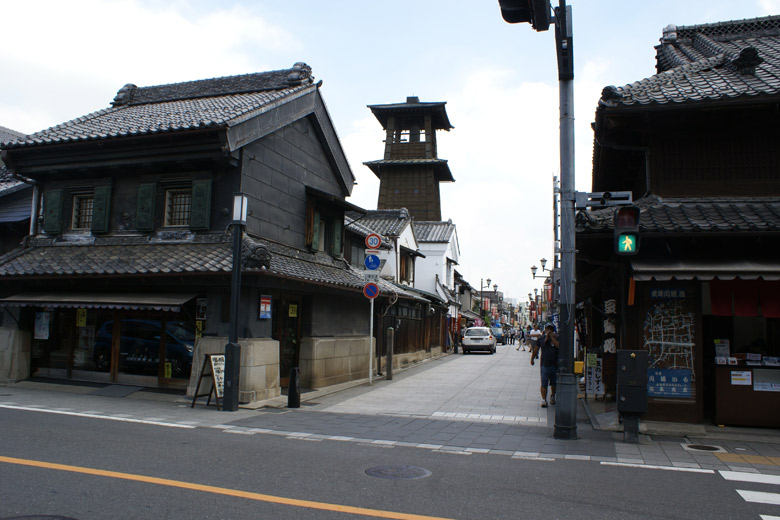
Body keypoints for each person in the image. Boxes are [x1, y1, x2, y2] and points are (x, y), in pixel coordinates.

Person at [530, 324, 559, 408]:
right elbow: (536, 349)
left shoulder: (556, 337)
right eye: (547, 329)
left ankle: (552, 396)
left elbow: (558, 346)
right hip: (544, 364)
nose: (549, 331)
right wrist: (532, 358)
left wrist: (552, 338)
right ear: (545, 330)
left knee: (554, 383)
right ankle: (544, 399)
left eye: (550, 329)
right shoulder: (542, 339)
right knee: (544, 383)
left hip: (554, 364)